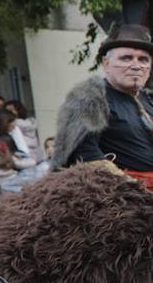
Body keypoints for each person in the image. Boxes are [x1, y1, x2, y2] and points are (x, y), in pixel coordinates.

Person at [54, 23, 153, 189]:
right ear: (106, 64)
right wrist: (133, 189)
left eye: (143, 60)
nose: (136, 65)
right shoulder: (90, 98)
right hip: (120, 196)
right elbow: (85, 154)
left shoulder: (148, 99)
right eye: (126, 58)